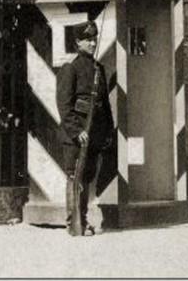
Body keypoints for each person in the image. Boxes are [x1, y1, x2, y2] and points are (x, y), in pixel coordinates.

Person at [55, 20, 114, 236]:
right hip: (75, 136)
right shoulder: (70, 68)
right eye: (88, 40)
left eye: (94, 39)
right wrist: (76, 131)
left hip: (93, 134)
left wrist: (108, 130)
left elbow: (104, 105)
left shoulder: (99, 69)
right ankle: (73, 223)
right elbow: (64, 105)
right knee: (74, 177)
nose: (92, 43)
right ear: (78, 42)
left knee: (86, 177)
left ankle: (83, 219)